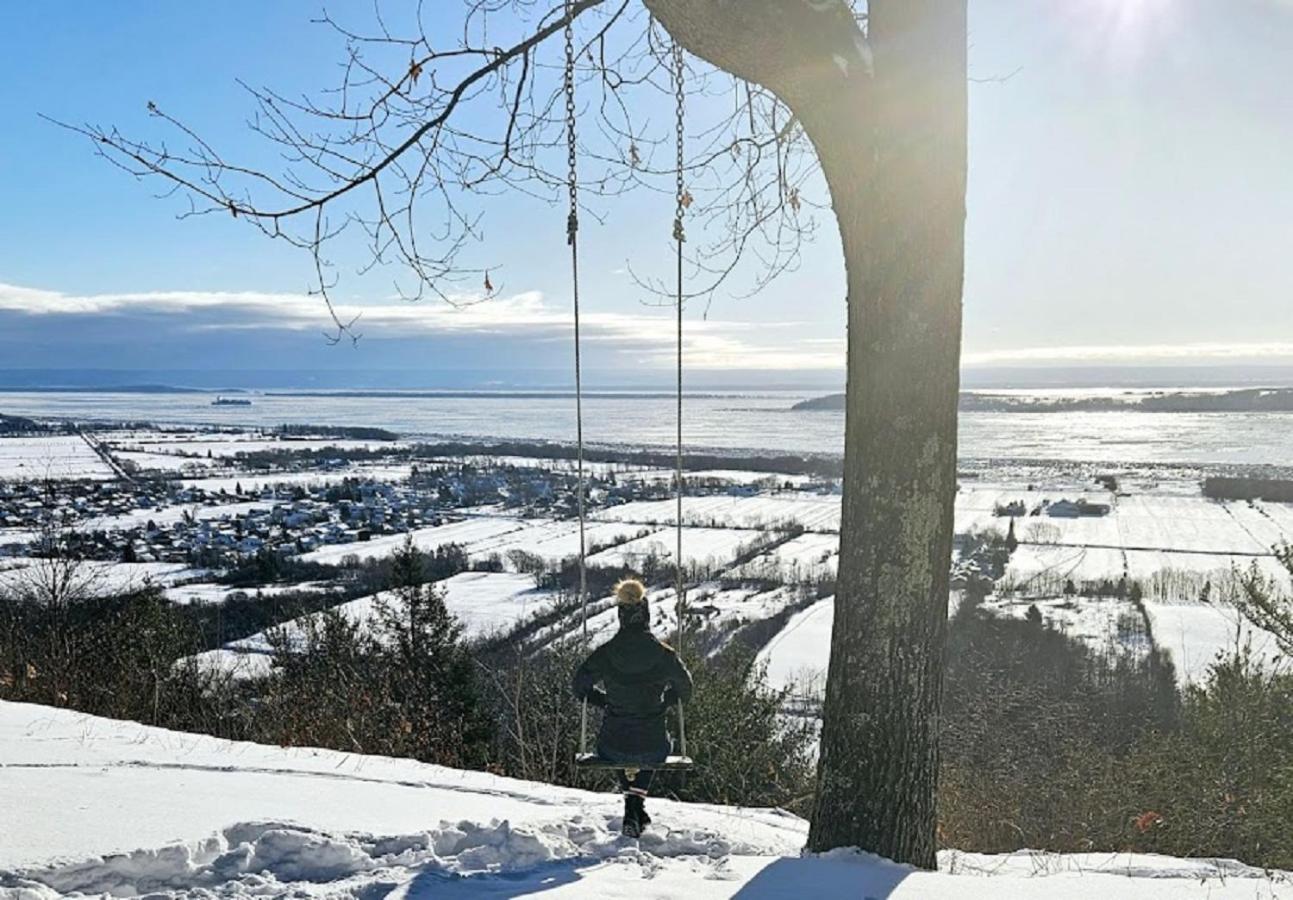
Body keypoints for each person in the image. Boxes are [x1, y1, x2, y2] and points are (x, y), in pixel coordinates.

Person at [572, 577, 693, 837]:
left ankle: (633, 807)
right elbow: (686, 690)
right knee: (657, 745)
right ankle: (635, 807)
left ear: (621, 615)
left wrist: (603, 700)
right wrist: (667, 700)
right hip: (653, 745)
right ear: (646, 614)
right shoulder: (664, 654)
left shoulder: (606, 652)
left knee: (619, 746)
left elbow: (579, 686)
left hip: (612, 746)